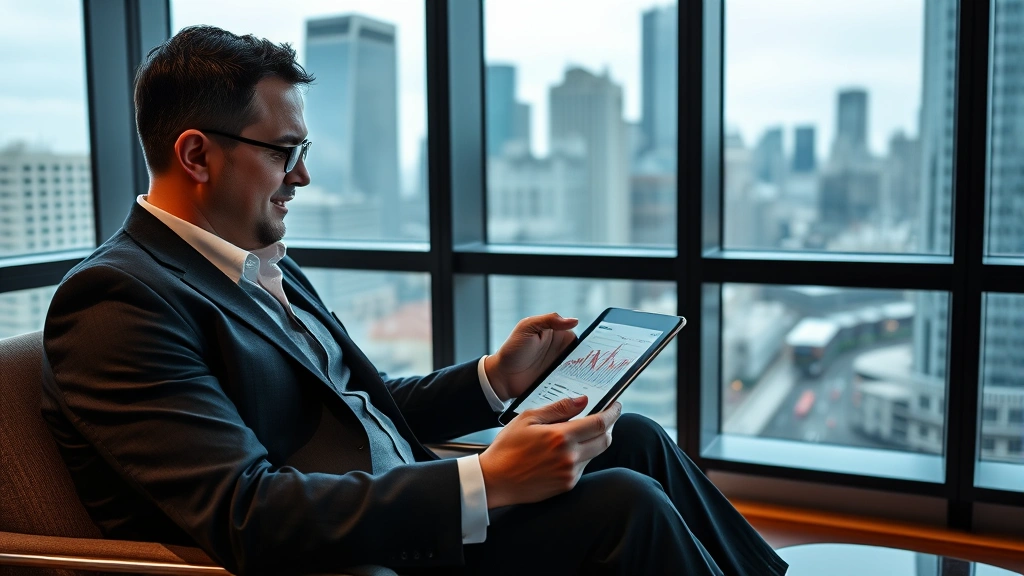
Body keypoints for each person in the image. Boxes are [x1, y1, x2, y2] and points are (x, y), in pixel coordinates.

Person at [40, 25, 787, 576]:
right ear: (197, 154)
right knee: (624, 502)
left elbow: (350, 406)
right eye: (284, 152)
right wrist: (486, 479)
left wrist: (495, 379)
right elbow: (246, 511)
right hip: (367, 555)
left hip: (406, 511)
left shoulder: (257, 263)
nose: (302, 177)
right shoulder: (118, 303)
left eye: (303, 153)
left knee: (636, 439)